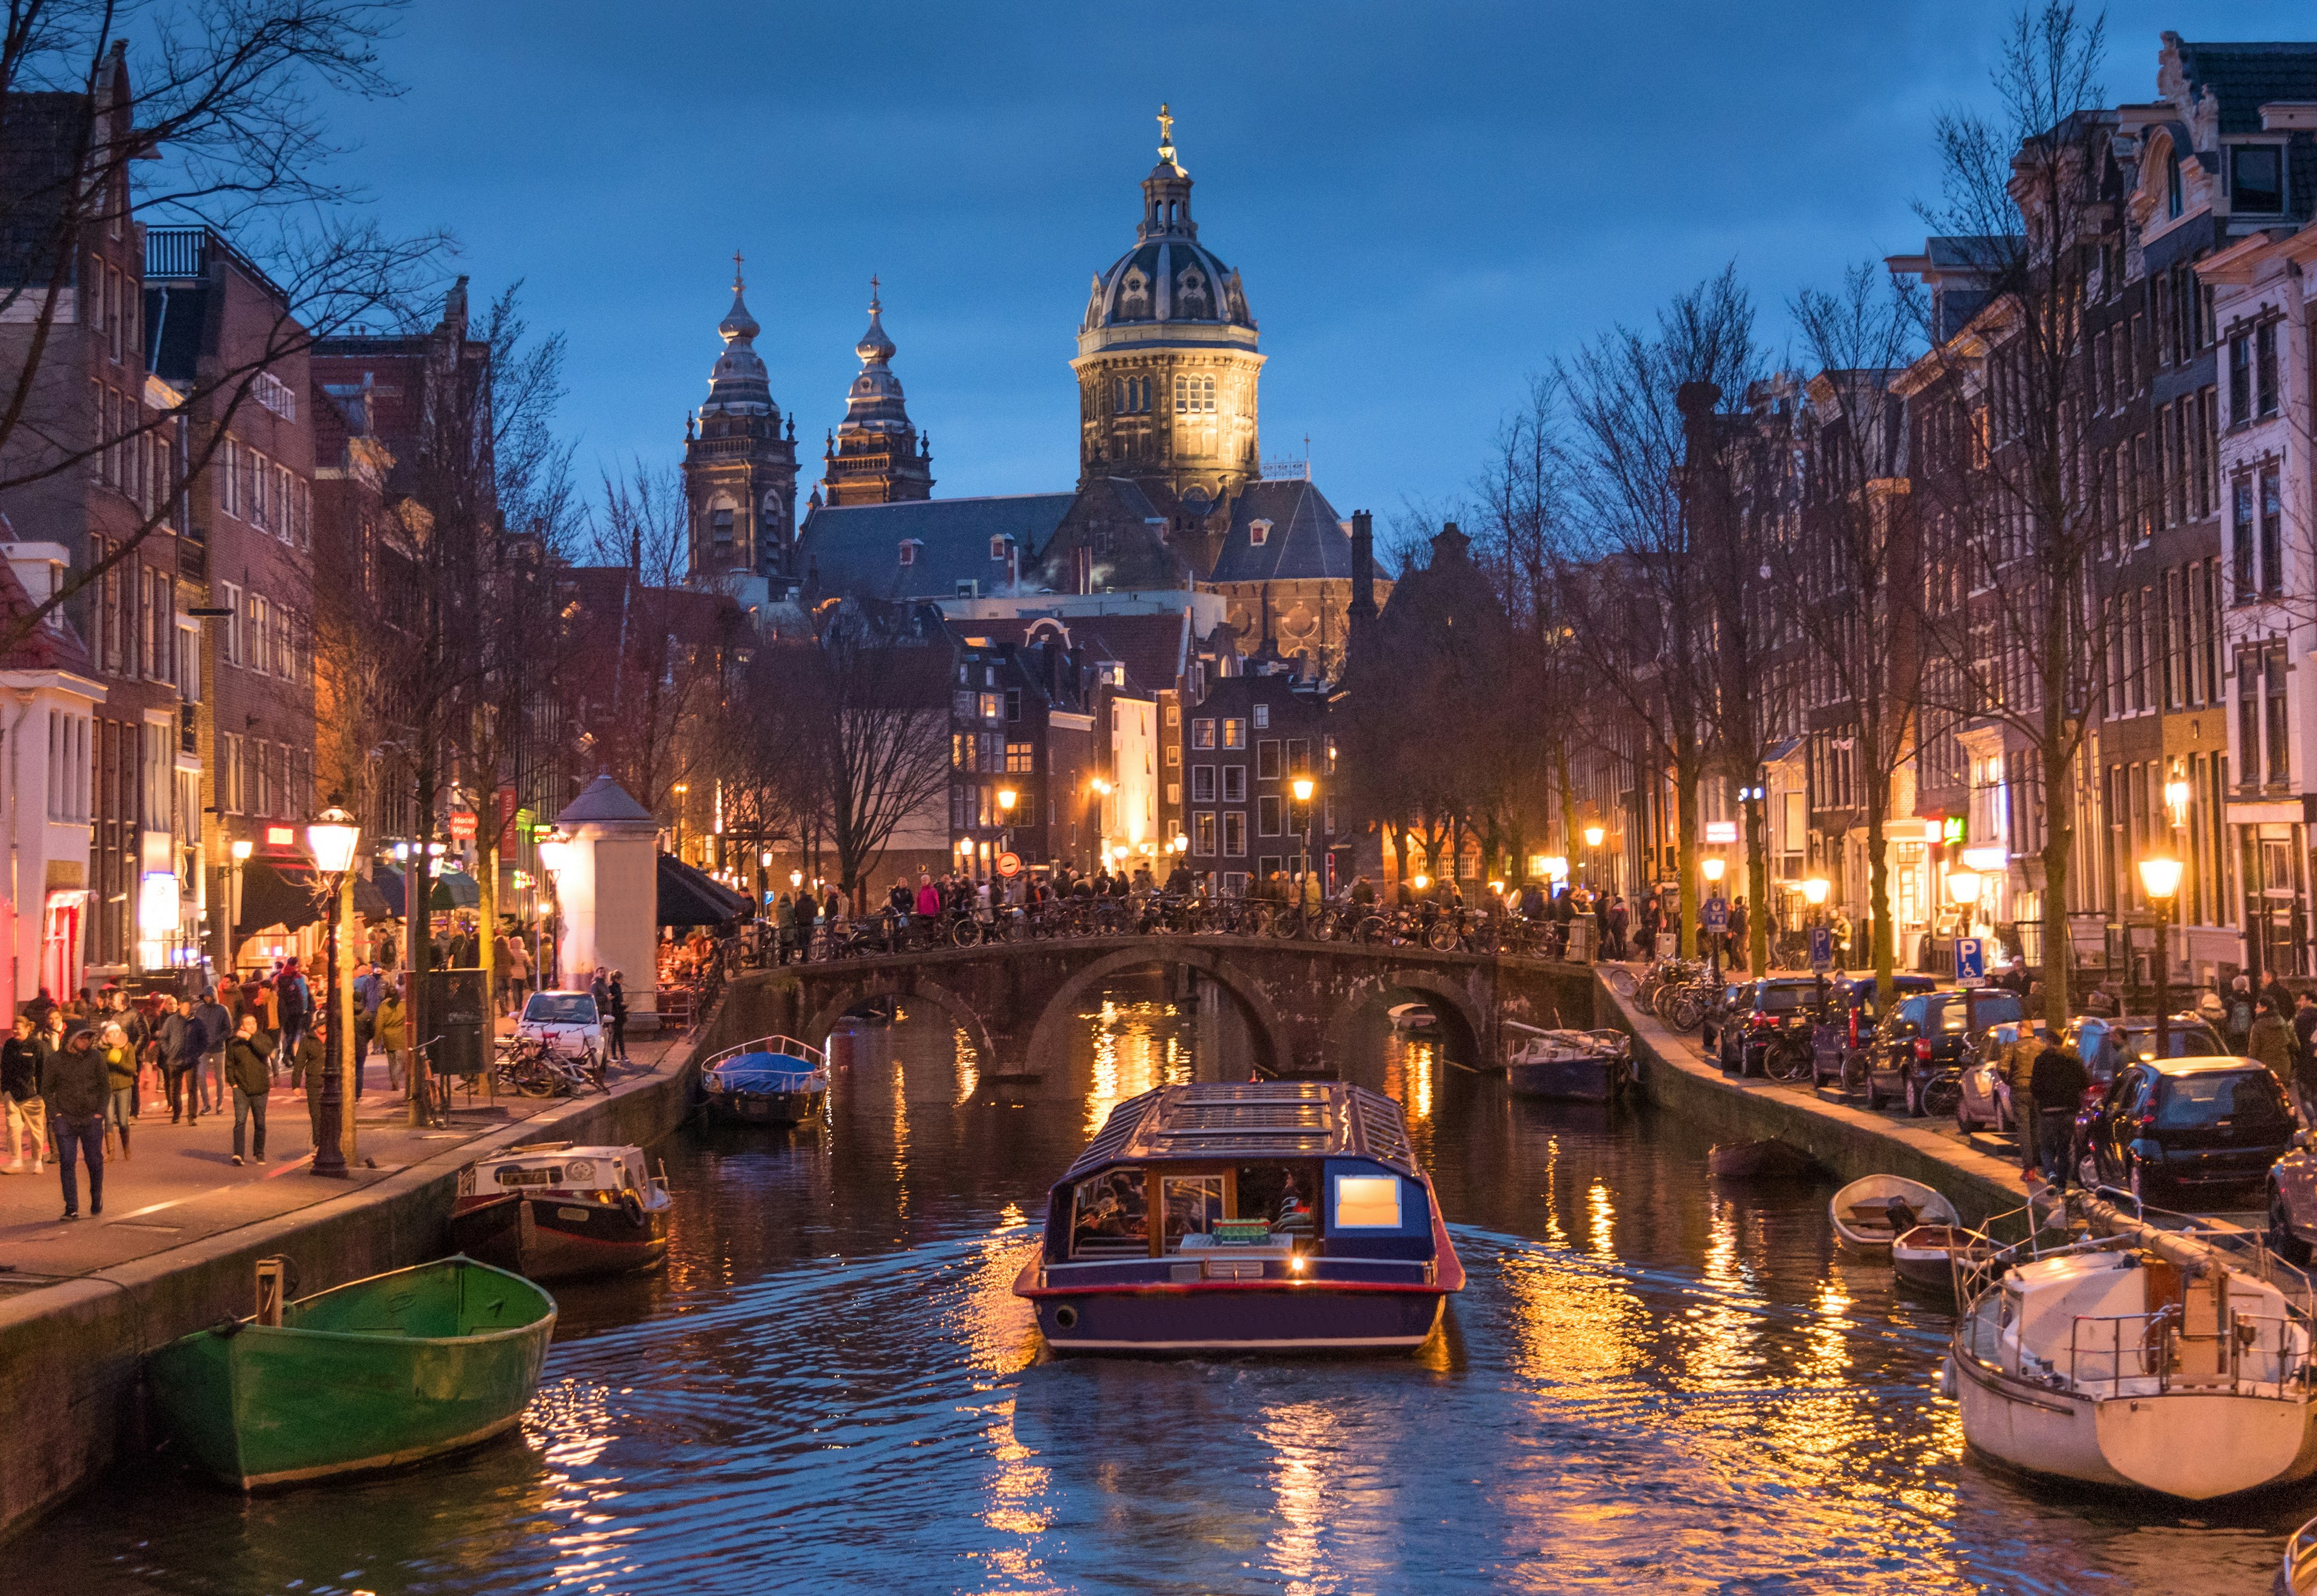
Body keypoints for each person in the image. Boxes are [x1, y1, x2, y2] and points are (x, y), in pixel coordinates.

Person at [45, 1027, 107, 1217]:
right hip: (65, 1118)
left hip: (91, 1118)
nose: (86, 1042)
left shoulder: (96, 1058)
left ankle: (96, 1198)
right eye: (83, 1037)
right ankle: (71, 1206)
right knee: (67, 1161)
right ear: (72, 1038)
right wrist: (55, 1114)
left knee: (94, 1161)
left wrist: (99, 1113)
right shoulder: (55, 1060)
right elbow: (47, 1089)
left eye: (89, 1038)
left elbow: (105, 1087)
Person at [2027, 1026, 2090, 1193]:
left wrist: (2042, 1099)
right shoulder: (2072, 1060)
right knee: (2064, 1148)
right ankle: (2061, 1184)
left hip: (2047, 1111)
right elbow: (2084, 1082)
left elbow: (2034, 1087)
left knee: (2046, 1146)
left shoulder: (2041, 1060)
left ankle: (2051, 1173)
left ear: (2049, 1041)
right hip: (2068, 1110)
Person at [224, 1013, 275, 1166]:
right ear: (242, 1026)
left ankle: (259, 1152)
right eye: (248, 1023)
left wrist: (250, 1038)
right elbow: (230, 1064)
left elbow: (265, 1051)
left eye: (254, 1022)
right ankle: (238, 1154)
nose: (252, 1025)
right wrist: (233, 1083)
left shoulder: (263, 1038)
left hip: (260, 1088)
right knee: (240, 1121)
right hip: (241, 1089)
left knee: (260, 1122)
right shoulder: (234, 1043)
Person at [2, 1015, 48, 1174]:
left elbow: (44, 1071)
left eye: (18, 1028)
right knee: (13, 1128)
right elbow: (5, 1068)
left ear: (28, 1028)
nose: (15, 1031)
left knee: (36, 1130)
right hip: (12, 1095)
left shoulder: (38, 1046)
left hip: (33, 1095)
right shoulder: (9, 1045)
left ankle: (37, 1161)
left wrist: (42, 1094)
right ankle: (16, 1161)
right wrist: (5, 1091)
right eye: (13, 1028)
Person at [159, 995, 203, 1125]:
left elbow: (204, 1040)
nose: (188, 1008)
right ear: (180, 1006)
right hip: (175, 1060)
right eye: (185, 1005)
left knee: (192, 1089)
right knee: (175, 1089)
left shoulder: (197, 1022)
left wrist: (197, 1053)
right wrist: (169, 1052)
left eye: (190, 1006)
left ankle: (192, 1117)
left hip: (191, 1061)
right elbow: (163, 1038)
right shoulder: (171, 1021)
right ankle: (177, 1113)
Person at [98, 1022, 135, 1161]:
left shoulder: (128, 1047)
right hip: (107, 1089)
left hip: (124, 1087)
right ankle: (111, 1152)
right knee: (108, 1120)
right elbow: (100, 1068)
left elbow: (132, 1069)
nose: (114, 1035)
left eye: (116, 1032)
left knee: (123, 1121)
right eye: (110, 1033)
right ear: (106, 1035)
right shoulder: (101, 1050)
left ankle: (126, 1148)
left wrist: (117, 1059)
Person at [291, 1016, 329, 1152]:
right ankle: (318, 1143)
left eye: (325, 1023)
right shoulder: (307, 1040)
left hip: (332, 1081)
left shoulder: (335, 1037)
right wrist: (296, 1085)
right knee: (316, 1113)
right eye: (320, 1024)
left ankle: (333, 1141)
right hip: (314, 1081)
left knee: (333, 1113)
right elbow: (299, 1063)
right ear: (315, 1025)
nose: (323, 1026)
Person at [197, 987, 232, 1114]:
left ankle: (220, 1104)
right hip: (204, 1048)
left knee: (219, 1077)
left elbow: (229, 1029)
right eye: (205, 996)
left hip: (218, 1048)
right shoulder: (200, 1009)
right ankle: (206, 1104)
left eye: (209, 996)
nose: (207, 998)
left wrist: (218, 1039)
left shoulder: (222, 1010)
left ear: (214, 996)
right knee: (200, 1075)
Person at [2250, 999, 2297, 1089]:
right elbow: (2295, 1044)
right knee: (2283, 1094)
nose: (2256, 1009)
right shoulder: (2284, 1022)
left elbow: (2253, 1051)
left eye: (2258, 1007)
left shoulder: (2257, 1026)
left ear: (2265, 1008)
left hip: (2266, 1068)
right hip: (2284, 1066)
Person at [373, 982, 408, 1092]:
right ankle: (395, 1078)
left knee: (392, 1061)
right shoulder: (403, 1006)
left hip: (388, 1038)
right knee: (400, 1061)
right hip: (400, 1037)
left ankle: (394, 1079)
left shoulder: (383, 1007)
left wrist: (377, 1040)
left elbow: (379, 1024)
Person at [2226, 974, 2255, 1054]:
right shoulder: (2251, 998)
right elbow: (2254, 1015)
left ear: (2234, 987)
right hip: (2248, 1033)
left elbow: (2226, 1017)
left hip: (2234, 1034)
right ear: (2245, 986)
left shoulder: (2229, 1000)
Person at [606, 970, 629, 1063]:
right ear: (617, 979)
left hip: (618, 1013)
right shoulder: (614, 988)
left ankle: (619, 1055)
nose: (623, 980)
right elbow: (614, 1002)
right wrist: (622, 1004)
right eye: (622, 978)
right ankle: (617, 1055)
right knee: (617, 1035)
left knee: (618, 1035)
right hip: (617, 1014)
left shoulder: (616, 988)